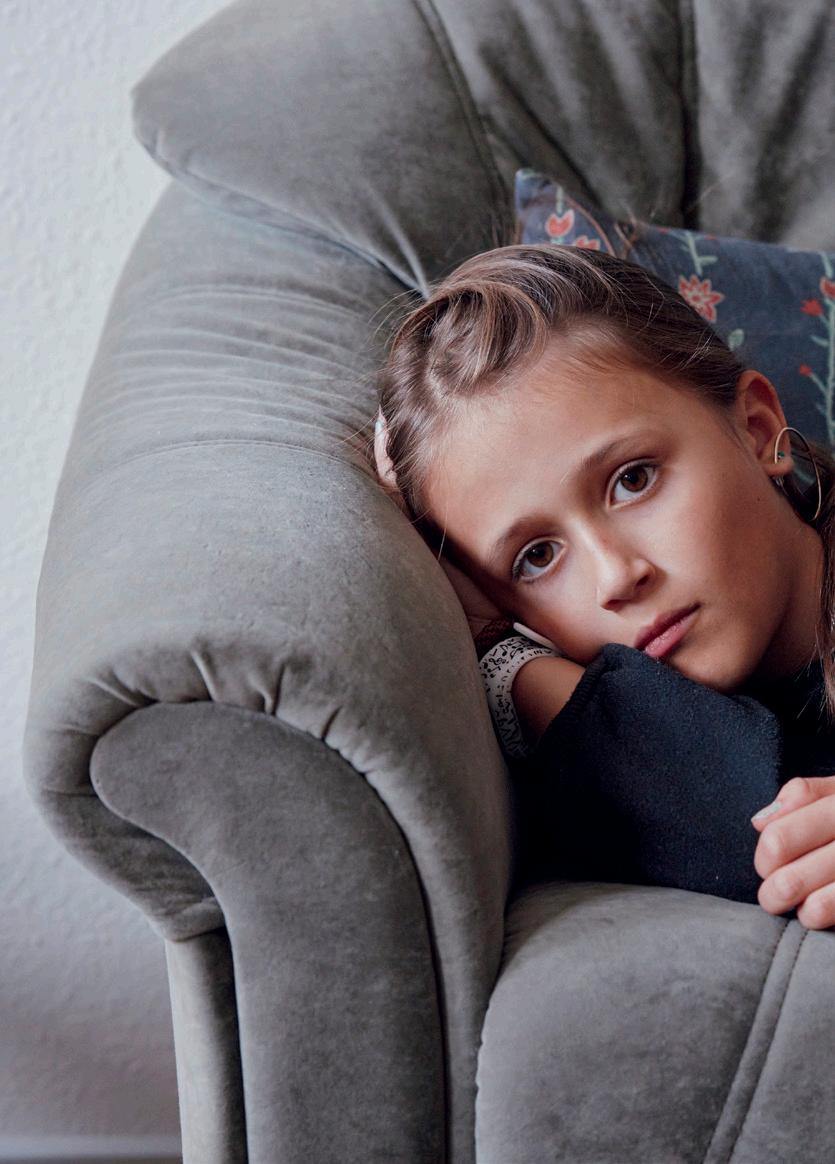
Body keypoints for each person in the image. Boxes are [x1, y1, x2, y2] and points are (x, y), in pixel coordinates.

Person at [371, 243, 835, 930]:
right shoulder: (619, 737)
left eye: (633, 479)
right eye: (536, 558)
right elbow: (756, 831)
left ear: (757, 428)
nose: (616, 577)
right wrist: (503, 654)